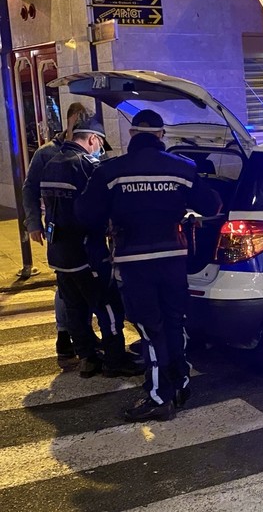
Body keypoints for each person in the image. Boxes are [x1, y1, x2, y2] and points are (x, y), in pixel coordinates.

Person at [76, 109, 221, 422]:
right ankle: (181, 385)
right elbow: (211, 205)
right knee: (174, 322)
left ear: (131, 135)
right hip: (173, 261)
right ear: (160, 135)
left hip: (135, 263)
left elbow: (86, 214)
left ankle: (158, 397)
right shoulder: (182, 168)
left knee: (150, 329)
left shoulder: (110, 171)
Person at [39, 114, 143, 379]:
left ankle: (87, 358)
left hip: (59, 253)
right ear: (93, 139)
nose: (99, 149)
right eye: (99, 143)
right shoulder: (84, 165)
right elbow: (97, 206)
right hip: (87, 252)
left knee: (75, 308)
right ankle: (115, 359)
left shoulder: (51, 163)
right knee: (108, 305)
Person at [22, 102, 93, 369]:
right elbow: (30, 189)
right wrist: (33, 224)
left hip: (87, 231)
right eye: (81, 119)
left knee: (81, 285)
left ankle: (84, 341)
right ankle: (65, 338)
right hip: (61, 230)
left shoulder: (92, 145)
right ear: (70, 120)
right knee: (66, 285)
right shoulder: (46, 153)